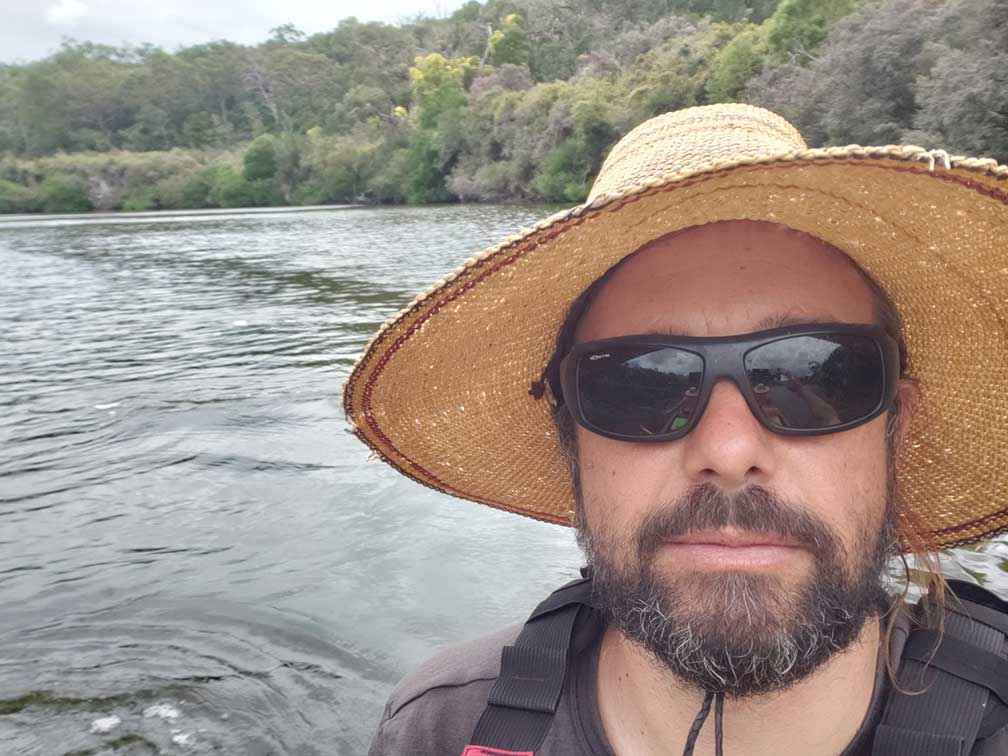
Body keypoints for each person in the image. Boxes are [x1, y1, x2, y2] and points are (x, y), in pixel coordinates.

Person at [345, 104, 1008, 755]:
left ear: (897, 429)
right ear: (570, 440)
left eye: (817, 374)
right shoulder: (441, 729)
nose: (729, 451)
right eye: (640, 383)